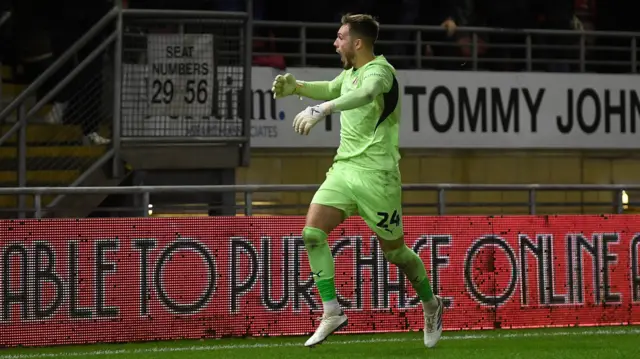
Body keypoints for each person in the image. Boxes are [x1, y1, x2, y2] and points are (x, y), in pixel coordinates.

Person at [271, 13, 444, 348]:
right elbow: (333, 87)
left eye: (340, 37)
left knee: (395, 254)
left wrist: (320, 110)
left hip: (378, 177)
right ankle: (332, 311)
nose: (336, 43)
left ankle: (431, 303)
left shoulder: (380, 71)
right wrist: (298, 89)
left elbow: (365, 95)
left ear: (357, 42)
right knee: (312, 233)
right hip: (344, 170)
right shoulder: (349, 72)